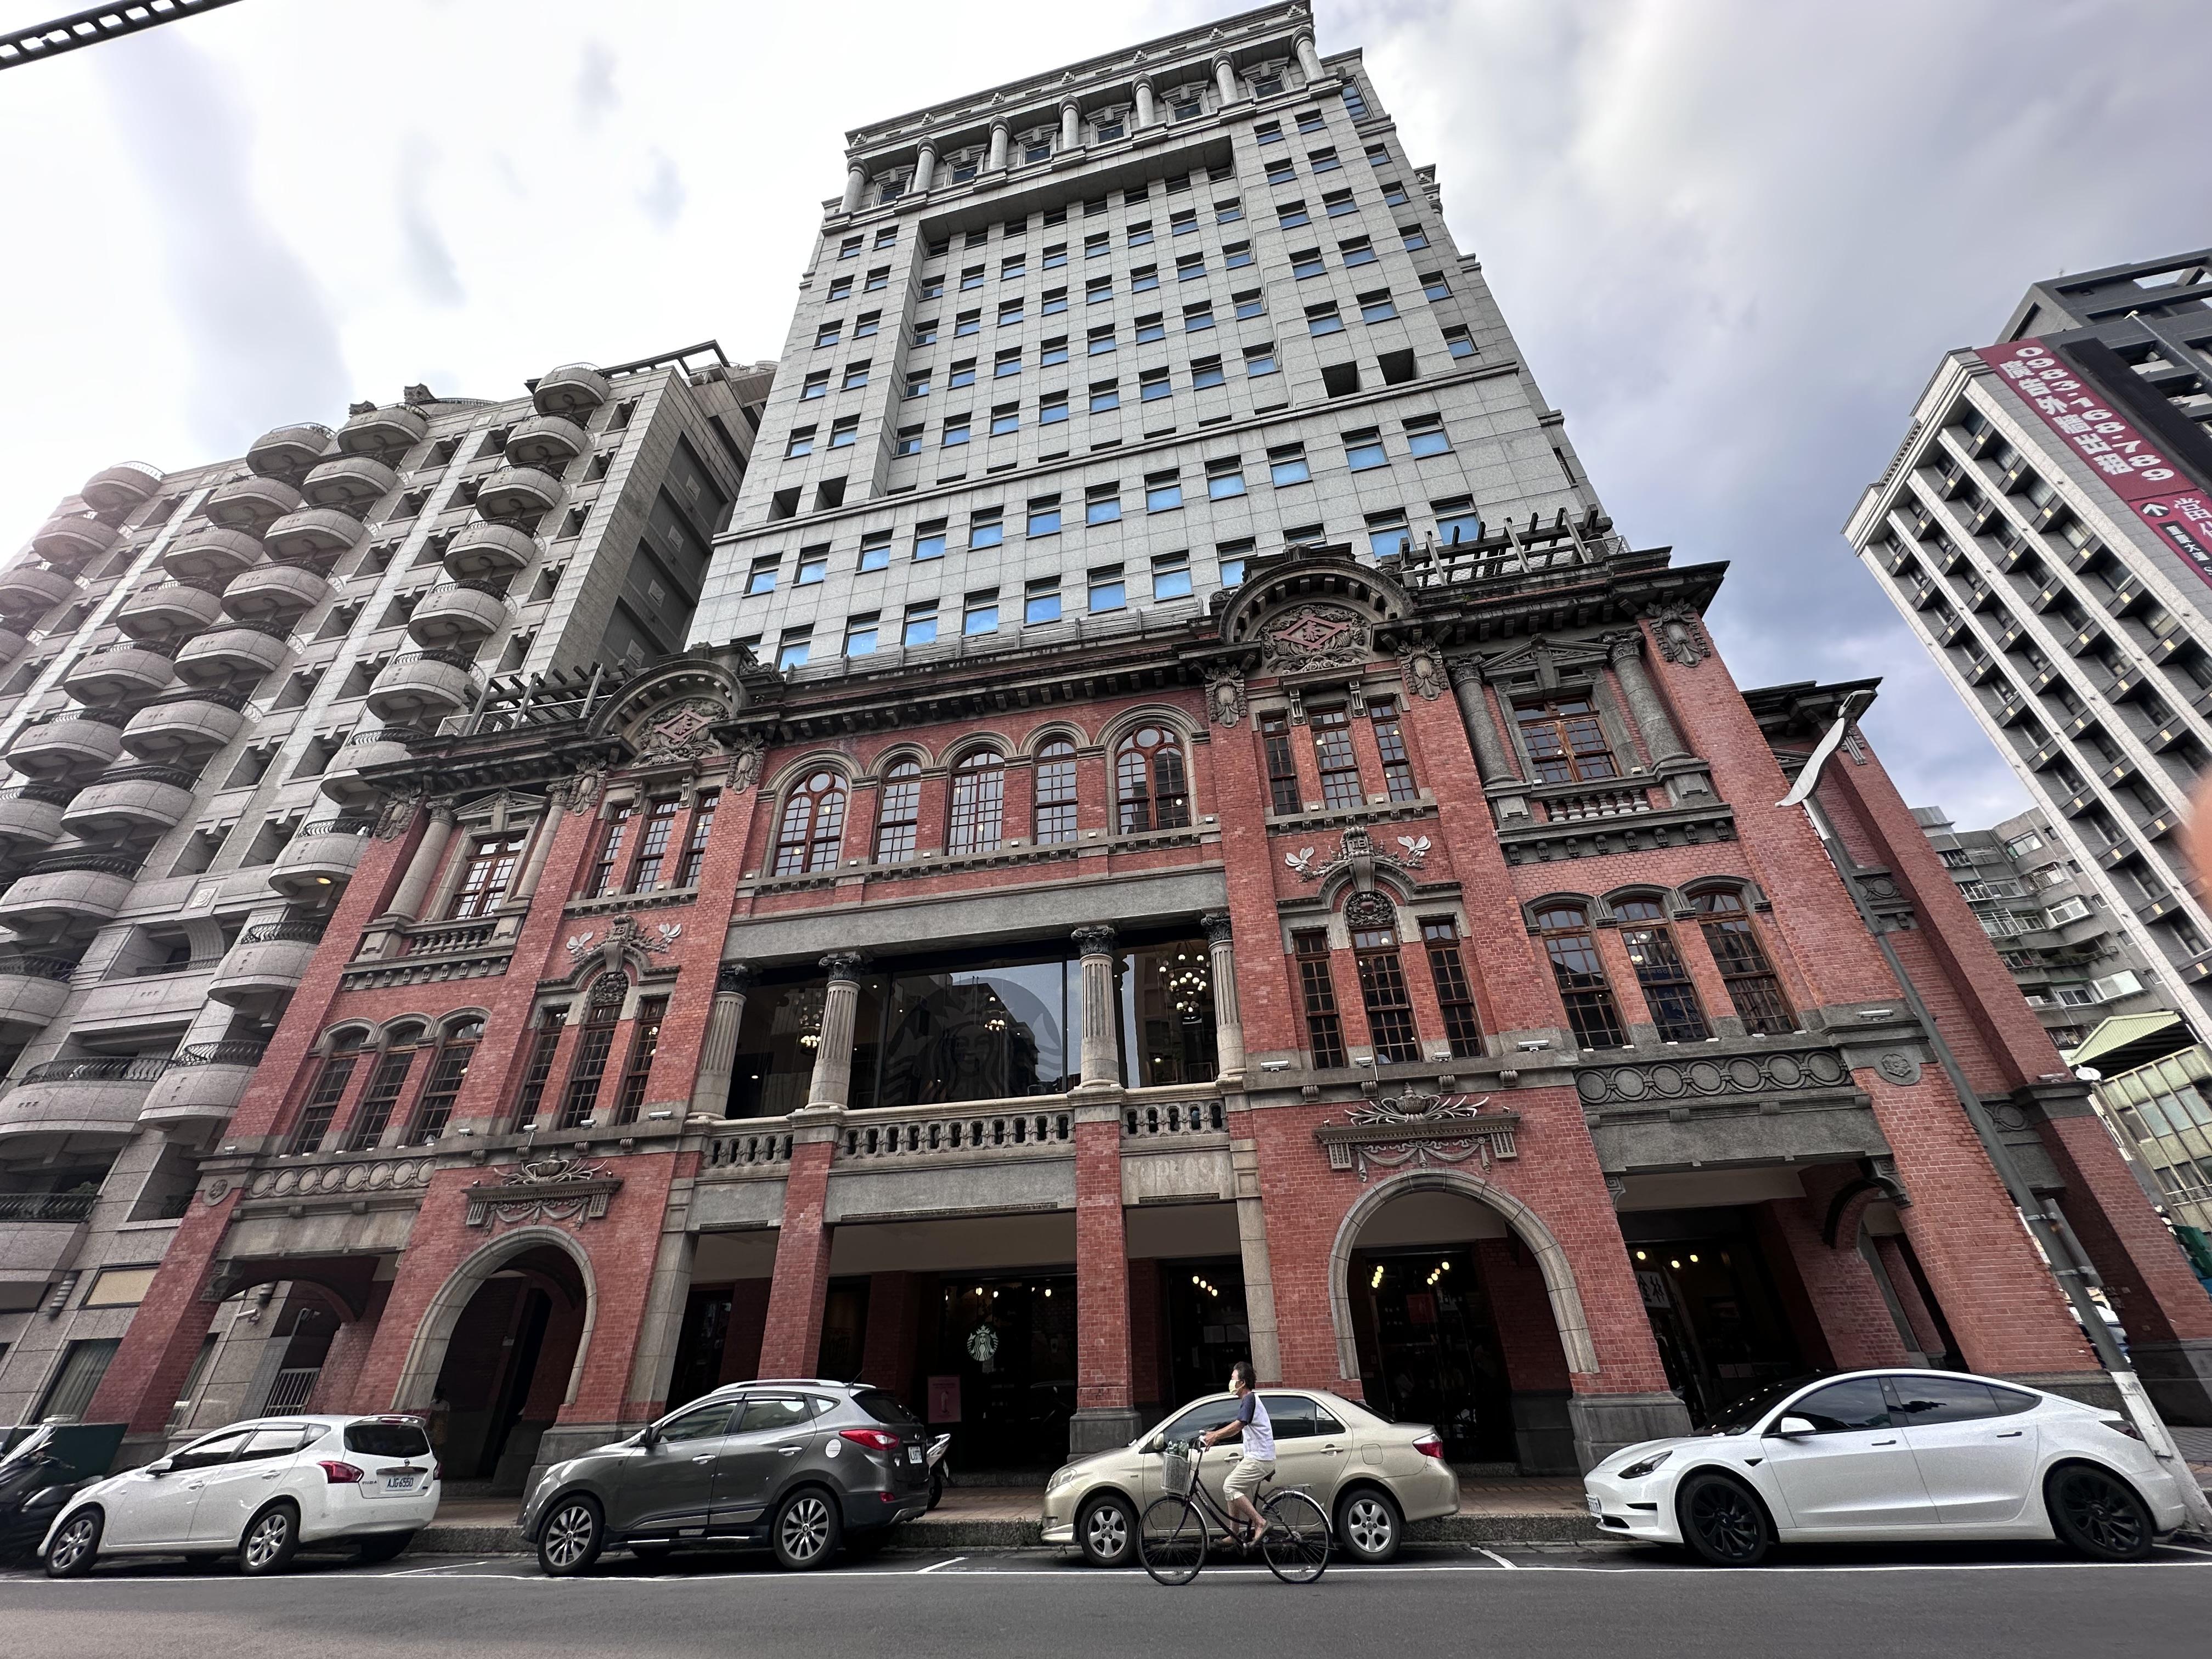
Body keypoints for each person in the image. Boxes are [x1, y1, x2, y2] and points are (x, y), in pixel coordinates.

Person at [1200, 1360, 1273, 1547]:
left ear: (1242, 1383)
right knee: (1232, 1487)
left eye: (1234, 1379)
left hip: (1260, 1458)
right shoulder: (1248, 1401)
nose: (1231, 1383)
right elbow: (1236, 1427)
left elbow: (1240, 1424)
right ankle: (1234, 1534)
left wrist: (1216, 1436)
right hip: (1257, 1457)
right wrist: (1216, 1435)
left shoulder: (1249, 1399)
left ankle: (1260, 1523)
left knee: (1230, 1487)